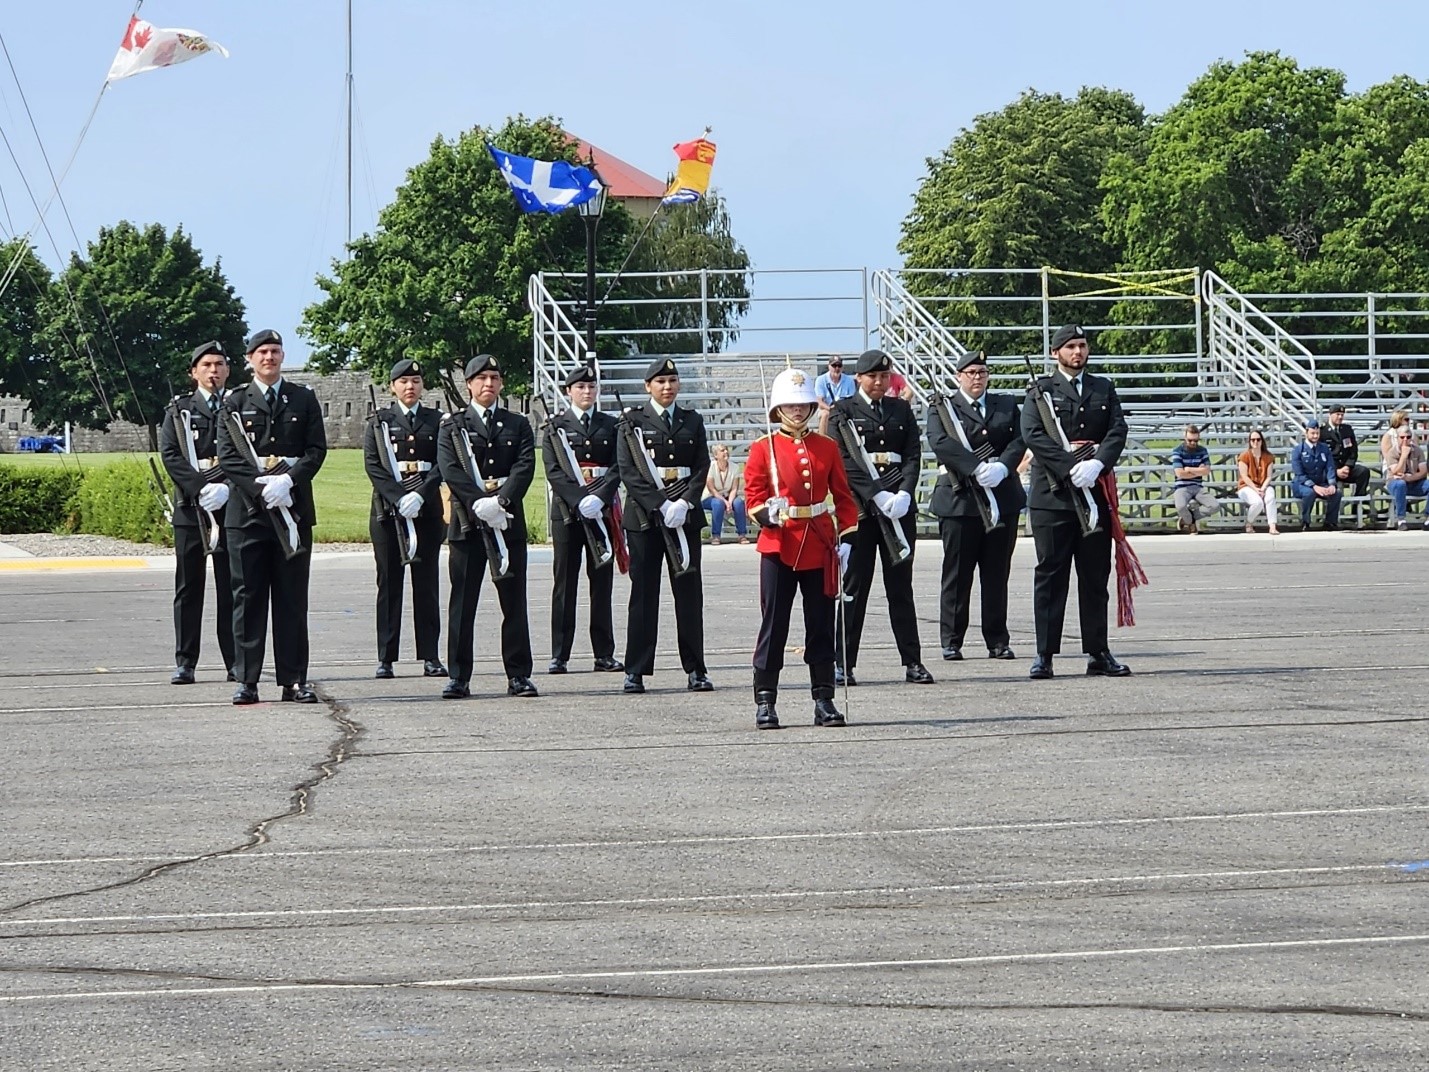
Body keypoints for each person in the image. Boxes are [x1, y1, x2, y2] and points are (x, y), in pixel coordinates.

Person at [217, 329, 327, 705]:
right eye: (262, 352)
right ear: (250, 359)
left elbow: (315, 450)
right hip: (248, 516)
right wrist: (261, 487)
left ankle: (293, 679)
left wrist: (289, 481)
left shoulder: (303, 398)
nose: (269, 358)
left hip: (293, 511)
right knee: (247, 598)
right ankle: (247, 679)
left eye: (275, 351)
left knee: (292, 599)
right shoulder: (233, 403)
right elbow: (229, 458)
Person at [744, 368, 859, 729]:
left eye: (803, 405)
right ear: (778, 409)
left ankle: (823, 698)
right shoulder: (764, 448)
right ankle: (766, 700)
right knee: (774, 626)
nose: (797, 411)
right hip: (781, 544)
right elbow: (753, 496)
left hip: (819, 544)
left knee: (821, 626)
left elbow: (842, 497)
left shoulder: (827, 447)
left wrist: (848, 540)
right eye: (790, 406)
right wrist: (767, 513)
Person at [1021, 324, 1131, 680]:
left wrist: (1098, 463)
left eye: (1082, 346)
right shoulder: (1040, 391)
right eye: (1070, 346)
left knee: (1095, 576)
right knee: (1051, 576)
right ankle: (1045, 654)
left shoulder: (1103, 387)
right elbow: (1034, 435)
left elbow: (1117, 430)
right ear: (1056, 353)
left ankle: (1098, 651)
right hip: (1052, 497)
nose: (1078, 352)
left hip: (1094, 493)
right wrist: (1071, 468)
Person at [827, 348, 934, 687]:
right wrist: (877, 494)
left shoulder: (900, 408)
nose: (879, 381)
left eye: (885, 376)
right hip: (861, 512)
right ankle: (843, 662)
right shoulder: (842, 412)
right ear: (858, 377)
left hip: (899, 511)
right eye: (873, 376)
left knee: (901, 588)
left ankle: (912, 661)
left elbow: (913, 455)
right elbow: (844, 462)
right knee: (854, 588)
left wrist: (904, 492)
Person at [437, 353, 538, 700]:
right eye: (481, 379)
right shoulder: (453, 426)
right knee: (463, 603)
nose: (488, 384)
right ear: (468, 384)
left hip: (507, 521)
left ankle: (518, 675)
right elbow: (450, 469)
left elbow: (525, 466)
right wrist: (479, 502)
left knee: (513, 602)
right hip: (468, 522)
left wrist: (502, 502)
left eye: (494, 378)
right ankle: (459, 676)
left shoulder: (518, 424)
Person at [616, 357, 713, 695]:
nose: (667, 387)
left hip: (684, 515)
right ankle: (636, 670)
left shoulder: (692, 420)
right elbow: (629, 472)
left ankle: (696, 669)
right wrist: (661, 505)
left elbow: (702, 465)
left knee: (689, 594)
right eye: (660, 382)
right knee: (643, 595)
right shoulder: (631, 423)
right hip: (645, 519)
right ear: (648, 387)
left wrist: (684, 502)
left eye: (672, 381)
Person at [926, 350, 1026, 662]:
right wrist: (973, 467)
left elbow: (1020, 439)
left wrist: (1004, 467)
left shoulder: (1006, 405)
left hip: (1001, 494)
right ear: (958, 377)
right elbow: (939, 441)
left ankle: (997, 640)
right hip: (960, 500)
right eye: (970, 373)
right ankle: (952, 640)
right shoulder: (943, 407)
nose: (977, 378)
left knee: (996, 573)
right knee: (957, 574)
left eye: (982, 372)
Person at [363, 358, 447, 680]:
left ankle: (430, 656)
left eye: (415, 381)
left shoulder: (436, 421)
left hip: (425, 510)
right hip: (388, 513)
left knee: (426, 585)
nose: (410, 386)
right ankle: (386, 657)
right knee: (389, 585)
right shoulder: (379, 422)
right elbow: (374, 465)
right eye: (403, 381)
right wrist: (399, 498)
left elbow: (443, 463)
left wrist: (420, 495)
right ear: (392, 386)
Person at [158, 341, 235, 685]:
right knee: (189, 587)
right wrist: (200, 488)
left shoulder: (236, 406)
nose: (213, 370)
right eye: (206, 365)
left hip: (230, 506)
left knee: (231, 587)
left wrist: (227, 487)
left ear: (228, 370)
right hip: (192, 507)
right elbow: (171, 454)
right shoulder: (179, 410)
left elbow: (246, 453)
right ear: (194, 372)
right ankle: (185, 661)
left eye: (219, 364)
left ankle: (236, 661)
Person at [542, 364, 624, 675]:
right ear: (568, 392)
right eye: (580, 387)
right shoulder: (555, 427)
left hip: (600, 510)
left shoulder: (610, 425)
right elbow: (553, 470)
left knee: (601, 584)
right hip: (567, 513)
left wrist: (599, 498)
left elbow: (618, 467)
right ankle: (559, 654)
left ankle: (604, 653)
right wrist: (579, 500)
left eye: (591, 387)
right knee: (565, 584)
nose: (587, 392)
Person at [1323, 403, 1374, 524]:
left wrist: (1347, 466)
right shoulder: (1323, 432)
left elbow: (1353, 451)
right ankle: (1332, 519)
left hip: (1345, 467)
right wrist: (1336, 471)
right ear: (1330, 415)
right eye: (1337, 414)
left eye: (1342, 414)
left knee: (1363, 472)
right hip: (1331, 470)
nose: (1340, 417)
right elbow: (1323, 457)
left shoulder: (1347, 429)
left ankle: (1357, 505)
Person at [1289, 418, 1342, 531]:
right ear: (1306, 433)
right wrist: (1314, 486)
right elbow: (1299, 474)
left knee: (1336, 493)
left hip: (1320, 483)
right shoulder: (1298, 450)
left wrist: (1332, 484)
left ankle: (1330, 522)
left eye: (1317, 433)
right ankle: (1306, 522)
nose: (1315, 436)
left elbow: (1330, 467)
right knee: (1309, 493)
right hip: (1302, 485)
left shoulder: (1324, 448)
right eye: (1312, 433)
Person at [1169, 424, 1221, 533]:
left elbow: (1206, 471)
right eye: (1190, 440)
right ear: (1185, 438)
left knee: (1214, 506)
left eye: (1196, 441)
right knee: (1181, 506)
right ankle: (1191, 523)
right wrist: (1197, 471)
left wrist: (1188, 469)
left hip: (1198, 486)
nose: (1193, 443)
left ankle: (1188, 519)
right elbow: (1179, 473)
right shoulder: (1177, 451)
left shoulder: (1202, 450)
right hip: (1182, 486)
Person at [1382, 425, 1427, 529]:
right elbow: (1397, 471)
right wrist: (1403, 456)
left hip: (1413, 482)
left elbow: (1423, 471)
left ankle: (1427, 518)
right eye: (1402, 437)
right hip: (1395, 483)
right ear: (1397, 438)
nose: (1405, 440)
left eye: (1408, 437)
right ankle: (1401, 519)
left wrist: (1410, 478)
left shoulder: (1418, 451)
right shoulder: (1392, 452)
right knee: (1401, 484)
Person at [702, 443, 748, 544]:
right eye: (722, 451)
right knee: (718, 503)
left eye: (726, 450)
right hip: (710, 497)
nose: (726, 452)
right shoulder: (710, 467)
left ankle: (742, 534)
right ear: (716, 455)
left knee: (739, 502)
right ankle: (716, 536)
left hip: (728, 496)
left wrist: (730, 502)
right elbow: (711, 489)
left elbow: (734, 488)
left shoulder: (735, 467)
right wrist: (725, 502)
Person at [1236, 429, 1279, 534]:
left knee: (1270, 497)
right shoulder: (1244, 456)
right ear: (1249, 442)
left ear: (1262, 441)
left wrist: (1262, 489)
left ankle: (1272, 526)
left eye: (1258, 440)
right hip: (1246, 486)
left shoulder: (1268, 457)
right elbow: (1244, 476)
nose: (1255, 442)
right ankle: (1249, 523)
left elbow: (1269, 476)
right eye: (1253, 440)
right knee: (1258, 503)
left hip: (1263, 484)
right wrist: (1256, 489)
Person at [814, 355, 856, 435]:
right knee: (825, 414)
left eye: (839, 365)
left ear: (842, 367)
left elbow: (852, 400)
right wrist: (830, 409)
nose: (837, 368)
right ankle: (823, 439)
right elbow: (819, 402)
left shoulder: (849, 381)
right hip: (827, 409)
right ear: (829, 366)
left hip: (844, 410)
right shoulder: (820, 380)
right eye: (834, 365)